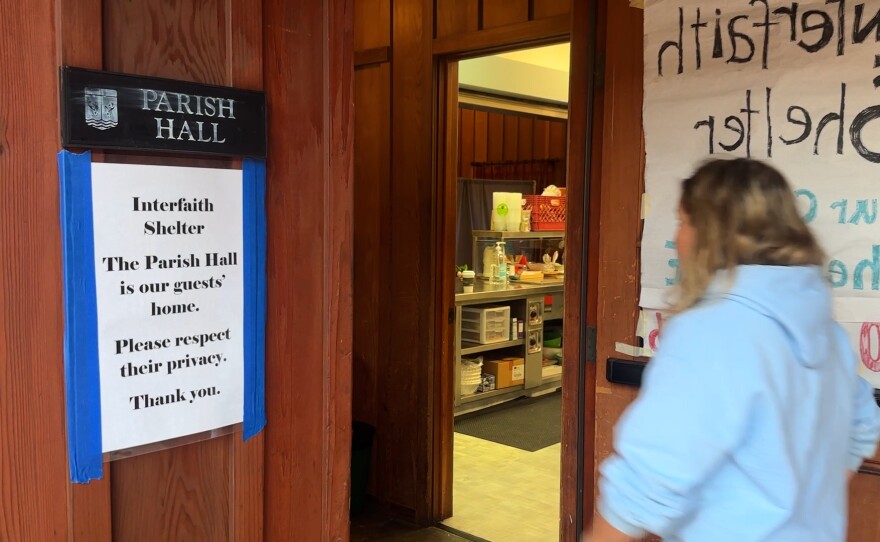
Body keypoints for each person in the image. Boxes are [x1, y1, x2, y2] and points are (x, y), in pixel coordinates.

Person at [587, 158, 880, 542]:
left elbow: (649, 476)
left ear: (713, 233)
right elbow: (863, 427)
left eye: (684, 222)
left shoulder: (713, 331)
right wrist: (802, 509)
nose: (677, 238)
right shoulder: (824, 330)